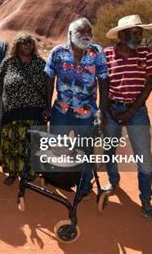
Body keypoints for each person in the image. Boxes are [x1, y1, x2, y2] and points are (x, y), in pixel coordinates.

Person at [44, 17, 109, 199]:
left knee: (85, 148)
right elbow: (49, 79)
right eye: (81, 32)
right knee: (58, 146)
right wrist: (47, 106)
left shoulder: (97, 52)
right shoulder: (57, 52)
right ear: (70, 34)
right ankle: (58, 178)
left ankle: (85, 184)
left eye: (89, 33)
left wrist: (101, 111)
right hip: (61, 110)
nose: (86, 36)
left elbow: (104, 81)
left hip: (86, 110)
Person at [103, 14, 152, 219]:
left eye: (140, 33)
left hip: (137, 112)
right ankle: (113, 180)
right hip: (112, 110)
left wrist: (131, 111)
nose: (139, 37)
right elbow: (103, 85)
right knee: (109, 149)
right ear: (122, 36)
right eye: (134, 33)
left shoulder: (145, 53)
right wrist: (110, 110)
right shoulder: (107, 54)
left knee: (144, 158)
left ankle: (145, 199)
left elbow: (149, 84)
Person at [0, 34, 48, 185]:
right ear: (17, 46)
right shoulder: (8, 62)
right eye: (24, 43)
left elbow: (47, 86)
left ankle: (29, 174)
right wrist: (9, 98)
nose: (27, 46)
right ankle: (13, 172)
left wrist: (46, 106)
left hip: (34, 110)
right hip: (12, 111)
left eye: (30, 43)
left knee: (31, 144)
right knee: (12, 142)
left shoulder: (40, 63)